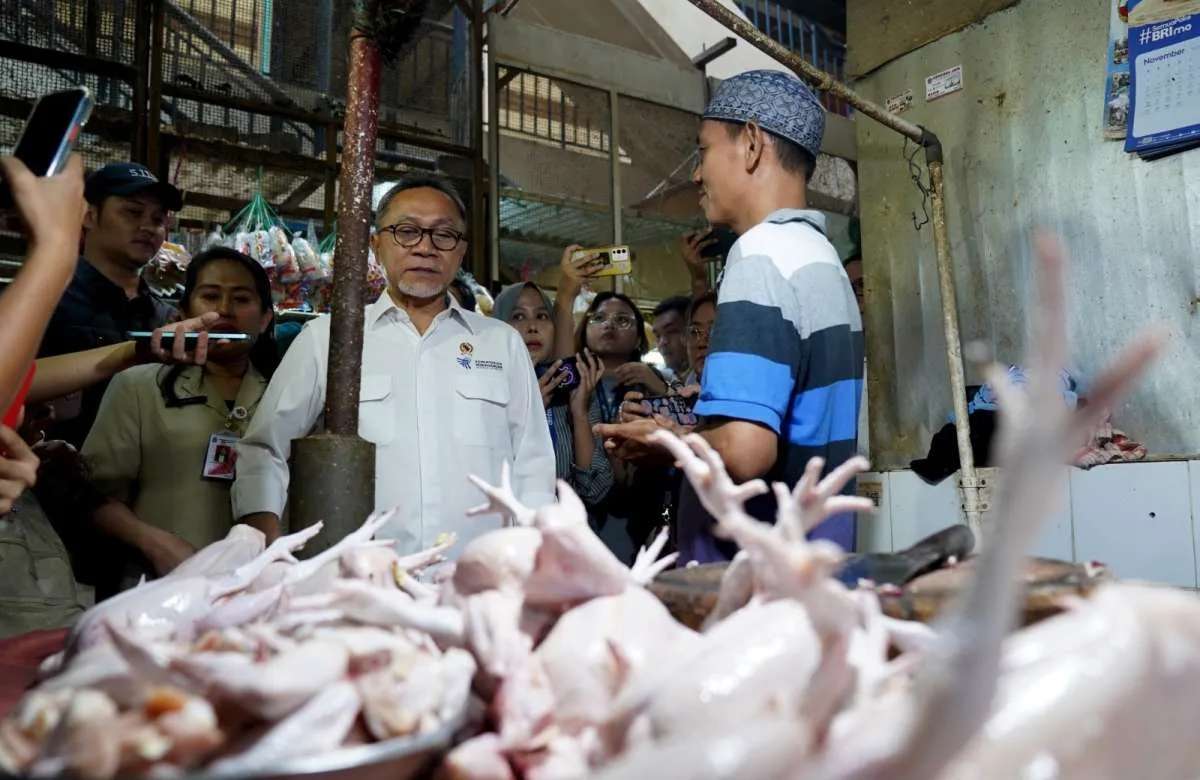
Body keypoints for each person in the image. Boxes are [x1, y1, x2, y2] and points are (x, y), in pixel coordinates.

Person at [597, 70, 864, 563]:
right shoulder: (821, 259)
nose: (697, 174)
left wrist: (667, 441)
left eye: (703, 151)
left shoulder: (760, 256)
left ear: (753, 144)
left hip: (753, 575)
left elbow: (745, 451)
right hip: (811, 564)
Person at [233, 177, 556, 556]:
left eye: (444, 235)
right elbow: (264, 448)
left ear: (461, 251)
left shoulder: (501, 343)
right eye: (407, 232)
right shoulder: (329, 339)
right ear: (377, 244)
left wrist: (533, 556)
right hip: (366, 582)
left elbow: (533, 464)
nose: (425, 248)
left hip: (481, 579)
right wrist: (264, 541)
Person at [82, 248, 278, 578]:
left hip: (259, 589)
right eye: (210, 296)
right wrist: (154, 543)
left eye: (241, 299)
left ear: (264, 318)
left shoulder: (285, 394)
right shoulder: (139, 387)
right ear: (184, 312)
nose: (224, 311)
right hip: (160, 584)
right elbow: (93, 496)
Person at [38, 161, 184, 447]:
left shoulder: (165, 316)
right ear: (89, 216)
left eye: (158, 218)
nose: (148, 227)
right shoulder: (45, 301)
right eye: (132, 212)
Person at [491, 282, 611, 508]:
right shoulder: (486, 391)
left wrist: (579, 413)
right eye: (518, 316)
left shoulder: (571, 387)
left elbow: (596, 489)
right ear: (497, 325)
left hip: (563, 533)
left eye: (542, 316)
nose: (532, 327)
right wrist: (528, 411)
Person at [650, 296, 691, 384]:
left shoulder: (710, 378)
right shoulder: (661, 379)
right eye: (657, 336)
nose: (662, 343)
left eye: (671, 332)